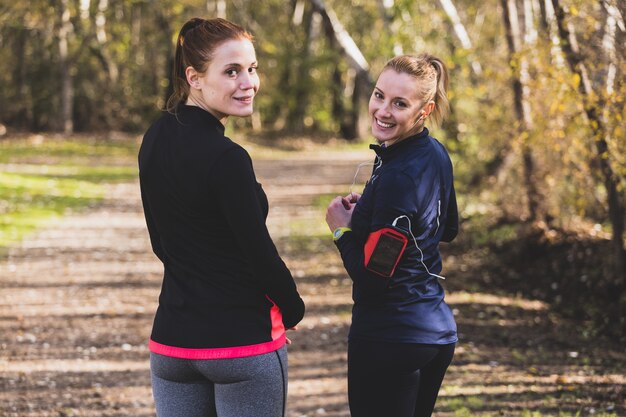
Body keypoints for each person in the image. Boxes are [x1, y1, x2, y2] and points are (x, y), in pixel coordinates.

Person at [138, 17, 305, 417]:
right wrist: (292, 307)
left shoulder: (154, 139)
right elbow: (258, 252)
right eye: (232, 71)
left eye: (252, 69)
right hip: (242, 347)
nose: (248, 82)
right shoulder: (228, 159)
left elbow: (161, 243)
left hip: (172, 345)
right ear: (194, 77)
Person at [325, 53, 459, 417]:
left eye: (399, 103)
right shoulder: (433, 152)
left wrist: (342, 229)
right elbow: (446, 228)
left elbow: (372, 279)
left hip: (391, 338)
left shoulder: (398, 175)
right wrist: (371, 210)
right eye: (379, 95)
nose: (383, 110)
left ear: (424, 110)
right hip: (435, 332)